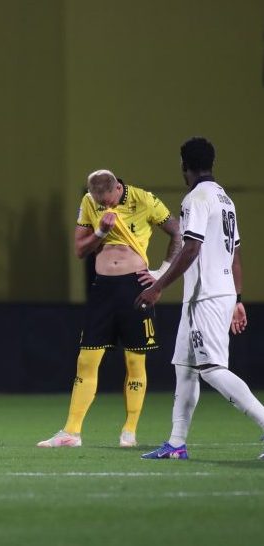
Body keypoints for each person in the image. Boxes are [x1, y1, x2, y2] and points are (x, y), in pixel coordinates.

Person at [136, 137, 264, 460]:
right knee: (186, 367)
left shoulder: (197, 198)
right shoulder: (225, 199)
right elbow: (235, 254)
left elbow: (191, 247)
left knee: (211, 368)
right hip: (209, 295)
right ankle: (176, 444)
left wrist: (158, 286)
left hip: (206, 296)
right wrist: (237, 298)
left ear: (184, 166)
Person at [37, 169, 181, 448]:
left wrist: (161, 275)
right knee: (86, 360)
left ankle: (129, 431)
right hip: (102, 288)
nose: (103, 205)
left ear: (117, 188)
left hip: (135, 287)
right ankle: (71, 432)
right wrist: (101, 230)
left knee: (135, 361)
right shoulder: (89, 202)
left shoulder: (143, 199)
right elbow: (80, 250)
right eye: (97, 201)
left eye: (107, 200)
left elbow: (177, 233)